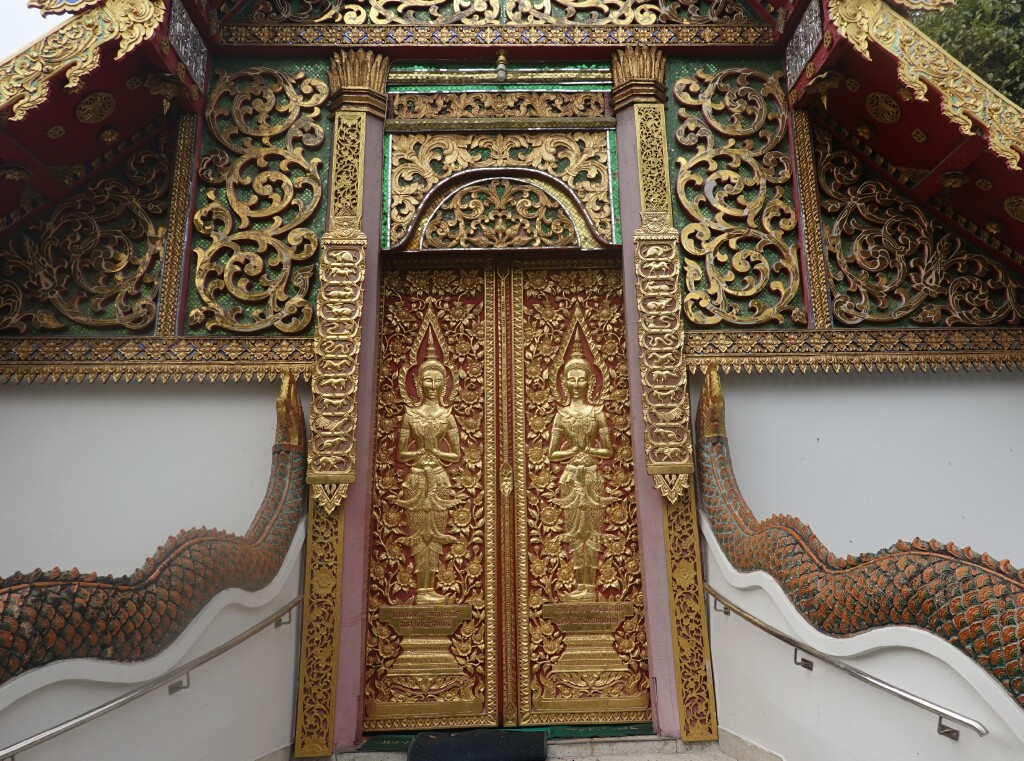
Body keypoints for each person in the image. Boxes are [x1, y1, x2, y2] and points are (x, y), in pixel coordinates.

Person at [547, 349, 615, 599]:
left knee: (592, 531)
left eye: (581, 379)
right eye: (571, 380)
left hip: (591, 476)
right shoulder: (561, 415)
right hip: (570, 477)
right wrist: (573, 451)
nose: (576, 385)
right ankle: (580, 586)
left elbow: (608, 450)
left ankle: (591, 587)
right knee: (576, 532)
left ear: (590, 382)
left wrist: (590, 450)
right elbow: (553, 453)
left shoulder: (597, 413)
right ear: (564, 382)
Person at [396, 357, 461, 602]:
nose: (432, 386)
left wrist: (436, 452)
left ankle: (429, 589)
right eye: (427, 380)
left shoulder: (447, 416)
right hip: (416, 480)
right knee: (419, 533)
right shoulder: (410, 415)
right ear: (418, 382)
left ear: (444, 384)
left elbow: (456, 454)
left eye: (437, 381)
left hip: (439, 480)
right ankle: (420, 591)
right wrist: (419, 453)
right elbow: (401, 454)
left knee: (435, 534)